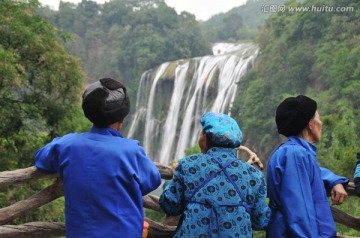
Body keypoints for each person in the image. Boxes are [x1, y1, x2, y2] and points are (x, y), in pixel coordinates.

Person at [34, 78, 162, 238]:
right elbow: (152, 180)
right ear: (122, 119)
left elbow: (41, 159)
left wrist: (61, 141)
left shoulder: (67, 145)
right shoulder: (131, 151)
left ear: (88, 114)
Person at [159, 112, 270, 238]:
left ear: (205, 138)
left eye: (201, 134)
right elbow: (260, 220)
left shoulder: (188, 165)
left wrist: (172, 179)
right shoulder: (254, 175)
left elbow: (170, 205)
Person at [266, 95, 349, 238]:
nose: (321, 123)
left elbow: (311, 173)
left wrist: (334, 180)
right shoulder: (295, 155)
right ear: (310, 124)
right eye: (318, 118)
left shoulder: (293, 152)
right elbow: (298, 214)